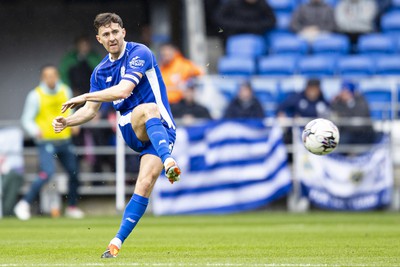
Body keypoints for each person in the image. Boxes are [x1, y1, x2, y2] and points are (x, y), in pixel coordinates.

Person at [51, 13, 181, 258]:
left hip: (162, 131)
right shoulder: (100, 72)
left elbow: (124, 89)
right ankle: (169, 161)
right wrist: (68, 121)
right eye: (106, 34)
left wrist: (84, 96)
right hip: (131, 127)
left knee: (144, 184)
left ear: (123, 32)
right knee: (148, 109)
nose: (111, 37)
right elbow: (90, 112)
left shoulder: (140, 53)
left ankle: (115, 243)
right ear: (99, 39)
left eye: (114, 32)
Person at [14, 64, 84, 220]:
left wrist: (73, 123)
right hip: (46, 141)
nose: (51, 78)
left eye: (53, 75)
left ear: (57, 76)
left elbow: (69, 111)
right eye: (47, 76)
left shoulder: (65, 90)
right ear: (42, 78)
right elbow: (26, 119)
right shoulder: (35, 95)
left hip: (64, 140)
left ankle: (72, 207)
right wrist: (34, 130)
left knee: (74, 172)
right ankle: (23, 204)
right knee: (47, 173)